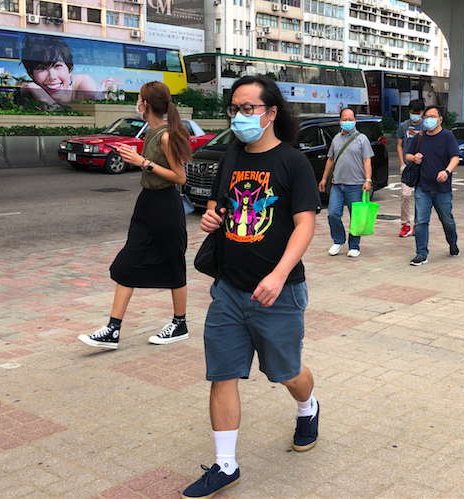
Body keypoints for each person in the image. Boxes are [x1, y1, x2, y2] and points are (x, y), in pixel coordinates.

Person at [181, 75, 321, 499]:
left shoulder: (293, 162)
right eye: (234, 109)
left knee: (286, 374)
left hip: (278, 292)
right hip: (229, 289)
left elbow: (306, 223)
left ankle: (308, 406)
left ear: (271, 112)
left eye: (248, 109)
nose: (239, 117)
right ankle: (226, 465)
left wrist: (278, 275)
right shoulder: (232, 156)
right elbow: (217, 207)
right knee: (222, 376)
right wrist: (211, 219)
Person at [78, 82, 191, 349]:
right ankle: (112, 329)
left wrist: (142, 162)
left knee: (174, 264)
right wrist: (136, 158)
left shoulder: (164, 135)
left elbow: (179, 176)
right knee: (127, 263)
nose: (137, 103)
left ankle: (180, 323)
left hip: (165, 205)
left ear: (147, 105)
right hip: (147, 205)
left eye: (139, 99)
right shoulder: (150, 133)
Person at [404, 105, 460, 266]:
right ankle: (421, 253)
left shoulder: (447, 137)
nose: (429, 120)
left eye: (433, 116)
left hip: (442, 189)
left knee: (447, 220)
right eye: (427, 116)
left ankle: (452, 242)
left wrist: (447, 172)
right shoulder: (420, 137)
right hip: (423, 187)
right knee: (421, 221)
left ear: (440, 119)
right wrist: (414, 158)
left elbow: (455, 157)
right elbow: (408, 154)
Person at [318, 107, 374, 258]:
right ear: (340, 121)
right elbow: (330, 160)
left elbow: (367, 160)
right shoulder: (336, 139)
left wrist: (368, 180)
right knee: (333, 214)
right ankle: (339, 240)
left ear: (355, 121)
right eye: (344, 119)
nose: (347, 122)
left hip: (356, 184)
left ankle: (354, 246)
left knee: (356, 217)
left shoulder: (362, 139)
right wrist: (324, 179)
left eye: (350, 119)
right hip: (337, 184)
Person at [20, 34, 97, 107]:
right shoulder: (30, 90)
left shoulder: (84, 85)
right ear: (31, 74)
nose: (52, 76)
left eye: (57, 66)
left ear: (69, 69)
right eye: (41, 68)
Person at [396, 99, 425, 237]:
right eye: (412, 113)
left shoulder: (426, 126)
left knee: (420, 197)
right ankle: (405, 225)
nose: (415, 115)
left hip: (423, 168)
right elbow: (400, 145)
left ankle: (417, 224)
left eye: (417, 113)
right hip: (408, 167)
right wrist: (402, 163)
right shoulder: (404, 125)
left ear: (422, 113)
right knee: (405, 195)